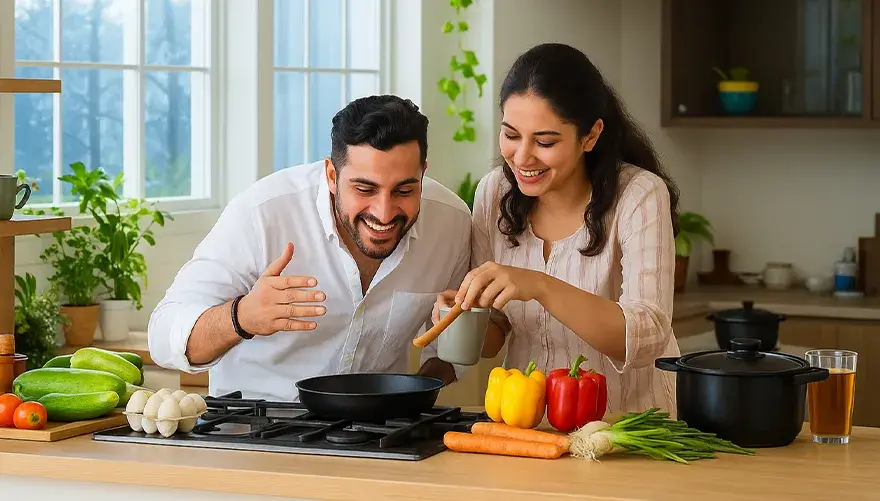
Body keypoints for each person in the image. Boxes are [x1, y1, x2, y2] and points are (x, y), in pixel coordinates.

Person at [149, 95, 473, 401]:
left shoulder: (451, 223)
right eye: (364, 188)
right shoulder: (261, 214)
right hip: (250, 436)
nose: (384, 212)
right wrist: (243, 316)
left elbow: (450, 350)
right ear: (331, 175)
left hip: (378, 436)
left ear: (422, 174)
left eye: (404, 190)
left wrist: (414, 395)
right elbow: (164, 337)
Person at [434, 43, 682, 415]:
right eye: (511, 135)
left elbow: (647, 336)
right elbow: (496, 332)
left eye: (545, 142)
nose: (521, 158)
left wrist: (540, 285)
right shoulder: (493, 192)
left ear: (591, 136)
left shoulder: (639, 195)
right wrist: (463, 316)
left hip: (627, 425)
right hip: (529, 426)